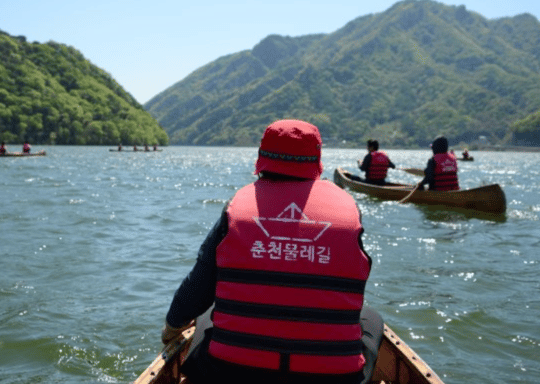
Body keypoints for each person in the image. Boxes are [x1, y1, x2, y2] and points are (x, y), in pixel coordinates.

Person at [161, 119, 382, 384]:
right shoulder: (347, 210)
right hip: (332, 379)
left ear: (262, 157)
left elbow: (197, 288)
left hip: (230, 375)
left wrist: (172, 327)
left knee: (207, 314)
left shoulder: (236, 209)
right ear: (316, 159)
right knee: (370, 317)